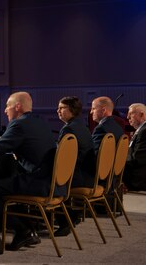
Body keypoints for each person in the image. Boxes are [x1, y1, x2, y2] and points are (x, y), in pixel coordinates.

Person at [0, 92, 56, 252]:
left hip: (38, 182)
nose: (5, 110)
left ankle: (22, 230)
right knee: (7, 182)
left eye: (7, 106)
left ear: (18, 106)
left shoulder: (19, 124)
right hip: (51, 181)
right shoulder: (41, 122)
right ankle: (29, 228)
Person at [54, 96, 95, 236]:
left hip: (77, 177)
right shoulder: (81, 126)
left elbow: (61, 159)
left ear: (72, 110)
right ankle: (71, 215)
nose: (57, 110)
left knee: (48, 180)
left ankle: (65, 221)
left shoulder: (69, 129)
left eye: (61, 108)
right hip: (86, 174)